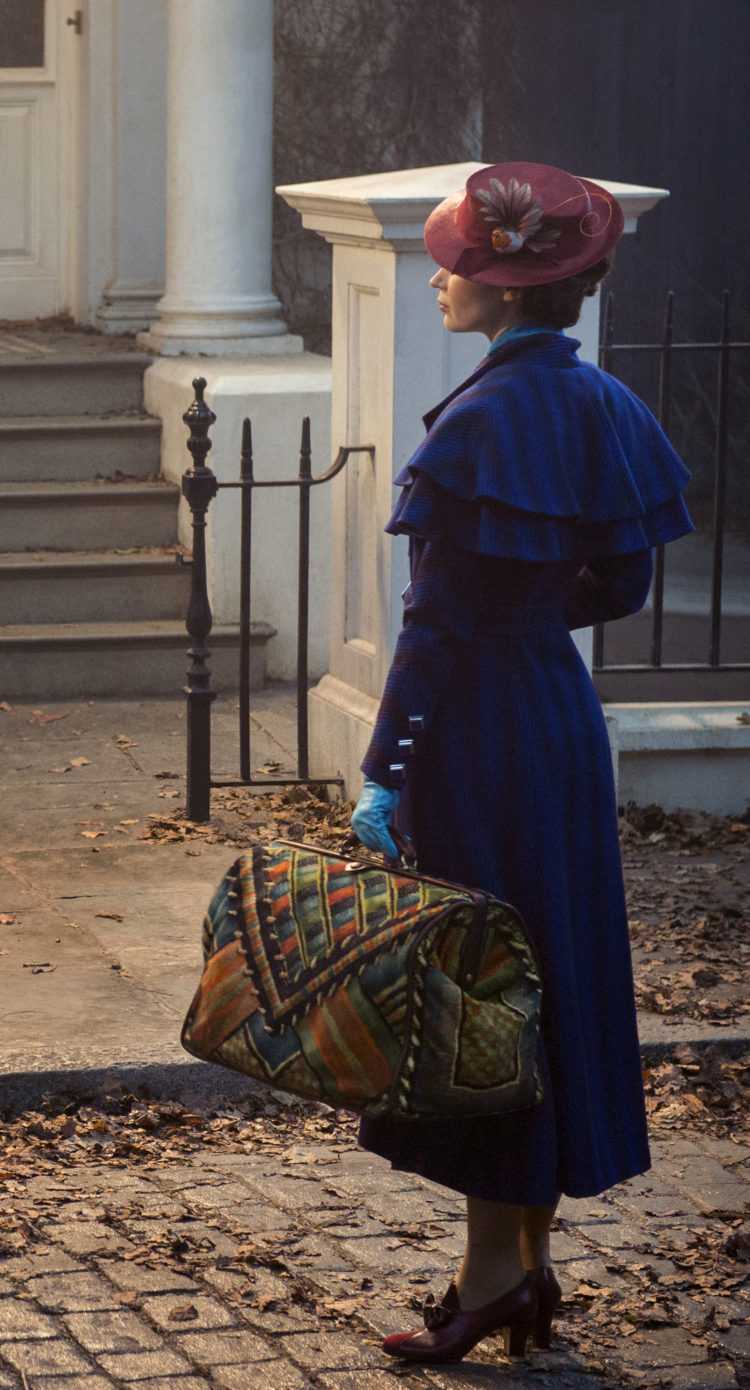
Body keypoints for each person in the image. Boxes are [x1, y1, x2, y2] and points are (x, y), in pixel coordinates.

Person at [350, 162, 694, 1365]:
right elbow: (626, 579)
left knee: (483, 997)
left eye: (463, 268)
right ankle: (516, 1272)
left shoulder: (483, 423)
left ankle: (496, 1277)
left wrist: (385, 768)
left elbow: (433, 629)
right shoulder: (606, 409)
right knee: (545, 975)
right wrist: (539, 610)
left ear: (503, 295)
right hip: (558, 716)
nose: (443, 279)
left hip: (481, 735)